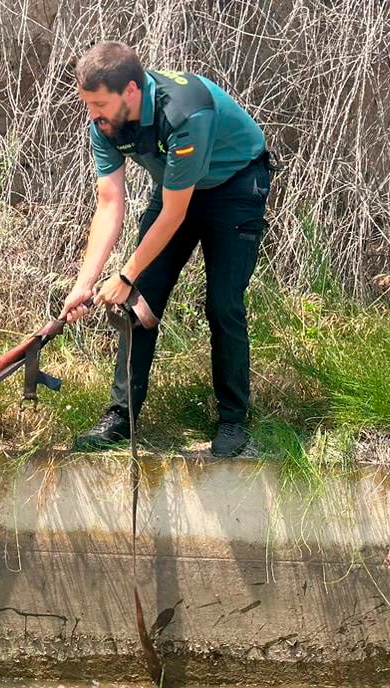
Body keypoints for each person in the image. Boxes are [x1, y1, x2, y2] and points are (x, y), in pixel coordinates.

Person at [60, 41, 272, 458]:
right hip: (178, 185)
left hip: (235, 185)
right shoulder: (105, 123)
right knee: (139, 302)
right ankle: (122, 416)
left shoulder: (186, 112)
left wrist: (124, 274)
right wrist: (85, 283)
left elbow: (175, 214)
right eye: (88, 105)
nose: (92, 116)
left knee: (222, 303)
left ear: (132, 92)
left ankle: (232, 421)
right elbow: (109, 204)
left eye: (99, 105)